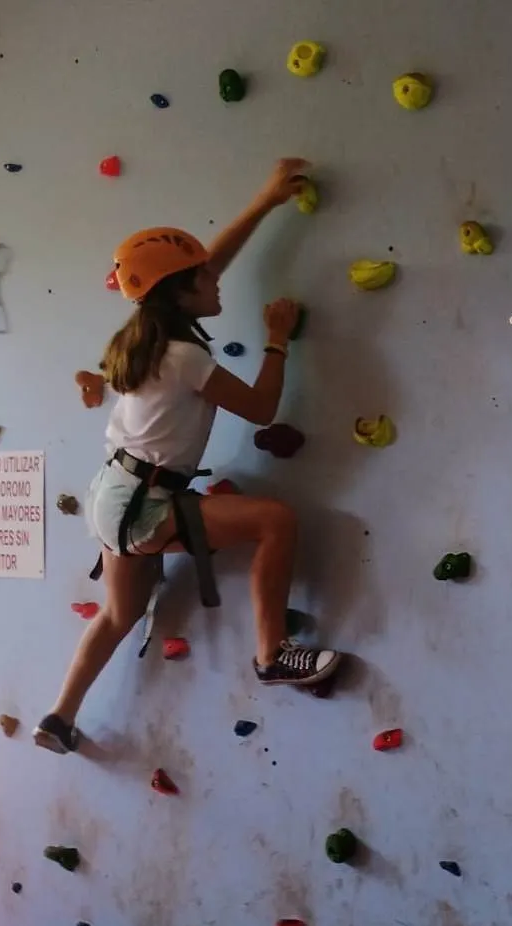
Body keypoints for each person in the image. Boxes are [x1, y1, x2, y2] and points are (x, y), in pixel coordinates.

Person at [34, 157, 340, 755]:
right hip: (145, 504)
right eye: (205, 278)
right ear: (183, 293)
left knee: (118, 615)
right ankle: (273, 655)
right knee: (275, 520)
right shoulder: (184, 357)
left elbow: (207, 262)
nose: (217, 280)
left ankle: (59, 716)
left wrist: (266, 200)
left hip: (112, 497)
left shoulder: (144, 330)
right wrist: (276, 339)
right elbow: (259, 409)